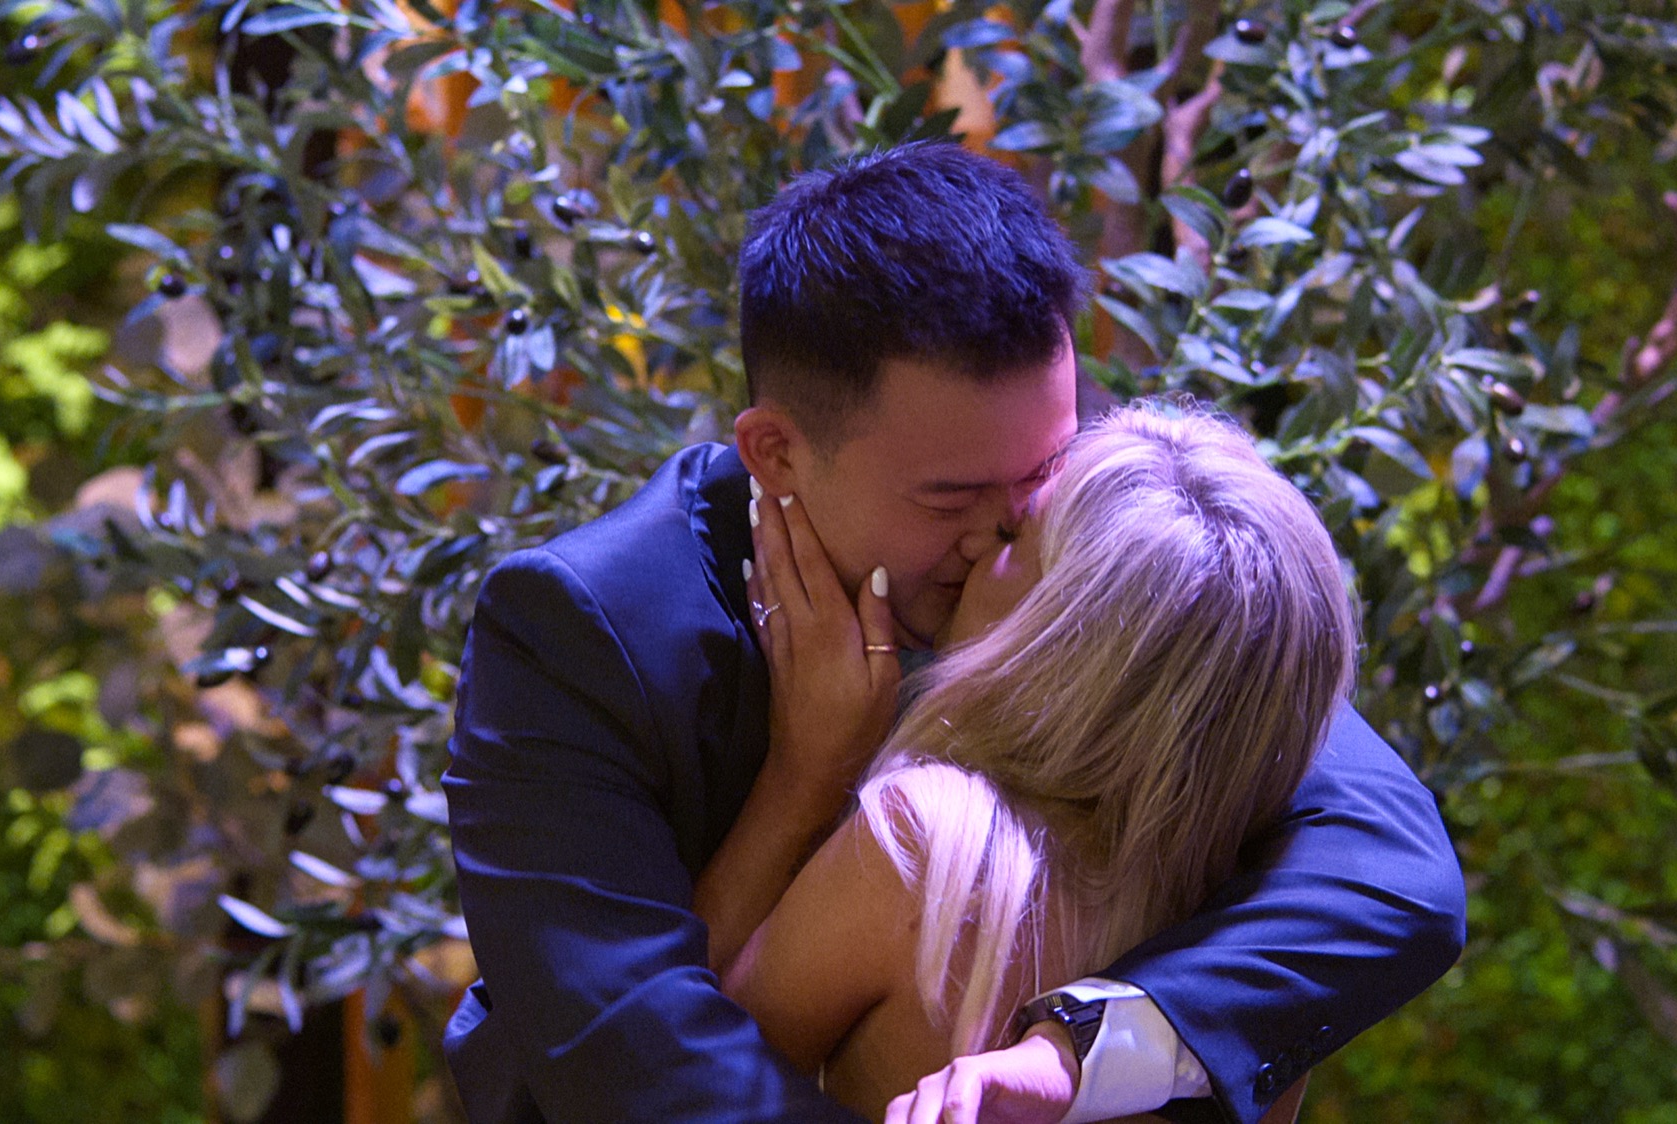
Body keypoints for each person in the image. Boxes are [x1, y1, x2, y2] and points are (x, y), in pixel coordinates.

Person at [441, 142, 1465, 1123]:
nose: (1007, 527)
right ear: (776, 453)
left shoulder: (1082, 550)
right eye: (952, 498)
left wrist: (1079, 1050)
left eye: (1043, 469)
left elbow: (1391, 871)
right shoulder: (582, 633)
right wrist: (803, 782)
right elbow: (641, 1069)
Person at [710, 403, 1360, 1123]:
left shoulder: (934, 849)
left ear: (1063, 638)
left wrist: (801, 773)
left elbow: (677, 1072)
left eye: (1014, 535)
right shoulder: (1256, 964)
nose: (976, 545)